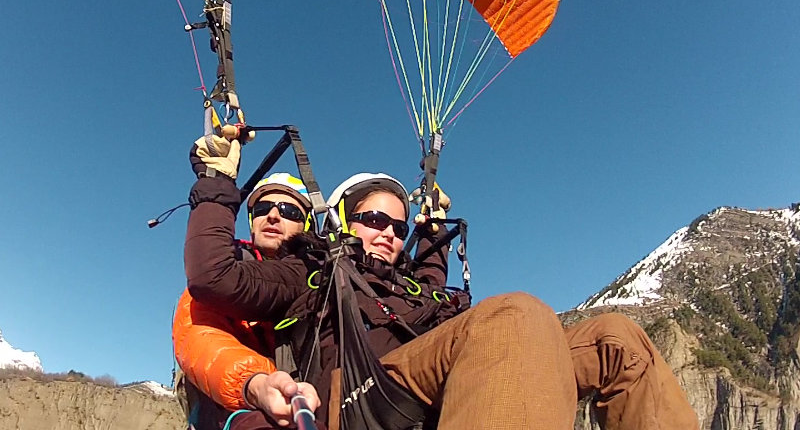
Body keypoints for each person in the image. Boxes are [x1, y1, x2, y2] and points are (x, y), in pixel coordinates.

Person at [184, 134, 700, 430]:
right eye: (374, 220)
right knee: (514, 316)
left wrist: (431, 233)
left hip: (427, 374)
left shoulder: (408, 283)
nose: (388, 232)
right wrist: (217, 186)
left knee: (615, 339)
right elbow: (213, 278)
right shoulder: (310, 269)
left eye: (399, 226)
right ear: (342, 221)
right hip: (363, 395)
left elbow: (430, 281)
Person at [173, 172, 322, 430]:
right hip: (234, 409)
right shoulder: (224, 274)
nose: (273, 216)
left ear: (306, 226)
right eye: (263, 208)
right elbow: (200, 338)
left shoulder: (321, 282)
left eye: (289, 211)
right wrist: (255, 382)